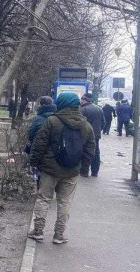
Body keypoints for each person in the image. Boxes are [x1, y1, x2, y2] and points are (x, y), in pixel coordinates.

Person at [28, 92, 96, 245]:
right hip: (72, 171)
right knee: (65, 202)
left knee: (44, 199)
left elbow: (40, 144)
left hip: (49, 169)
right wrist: (83, 168)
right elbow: (90, 149)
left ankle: (38, 231)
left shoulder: (52, 121)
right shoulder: (85, 125)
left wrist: (34, 163)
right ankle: (59, 235)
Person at [80, 94, 104, 177]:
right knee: (96, 152)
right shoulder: (99, 109)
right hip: (96, 135)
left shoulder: (83, 109)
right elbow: (103, 122)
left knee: (85, 152)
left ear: (85, 100)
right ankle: (95, 172)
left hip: (84, 134)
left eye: (82, 99)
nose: (80, 101)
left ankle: (84, 171)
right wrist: (98, 130)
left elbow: (80, 122)